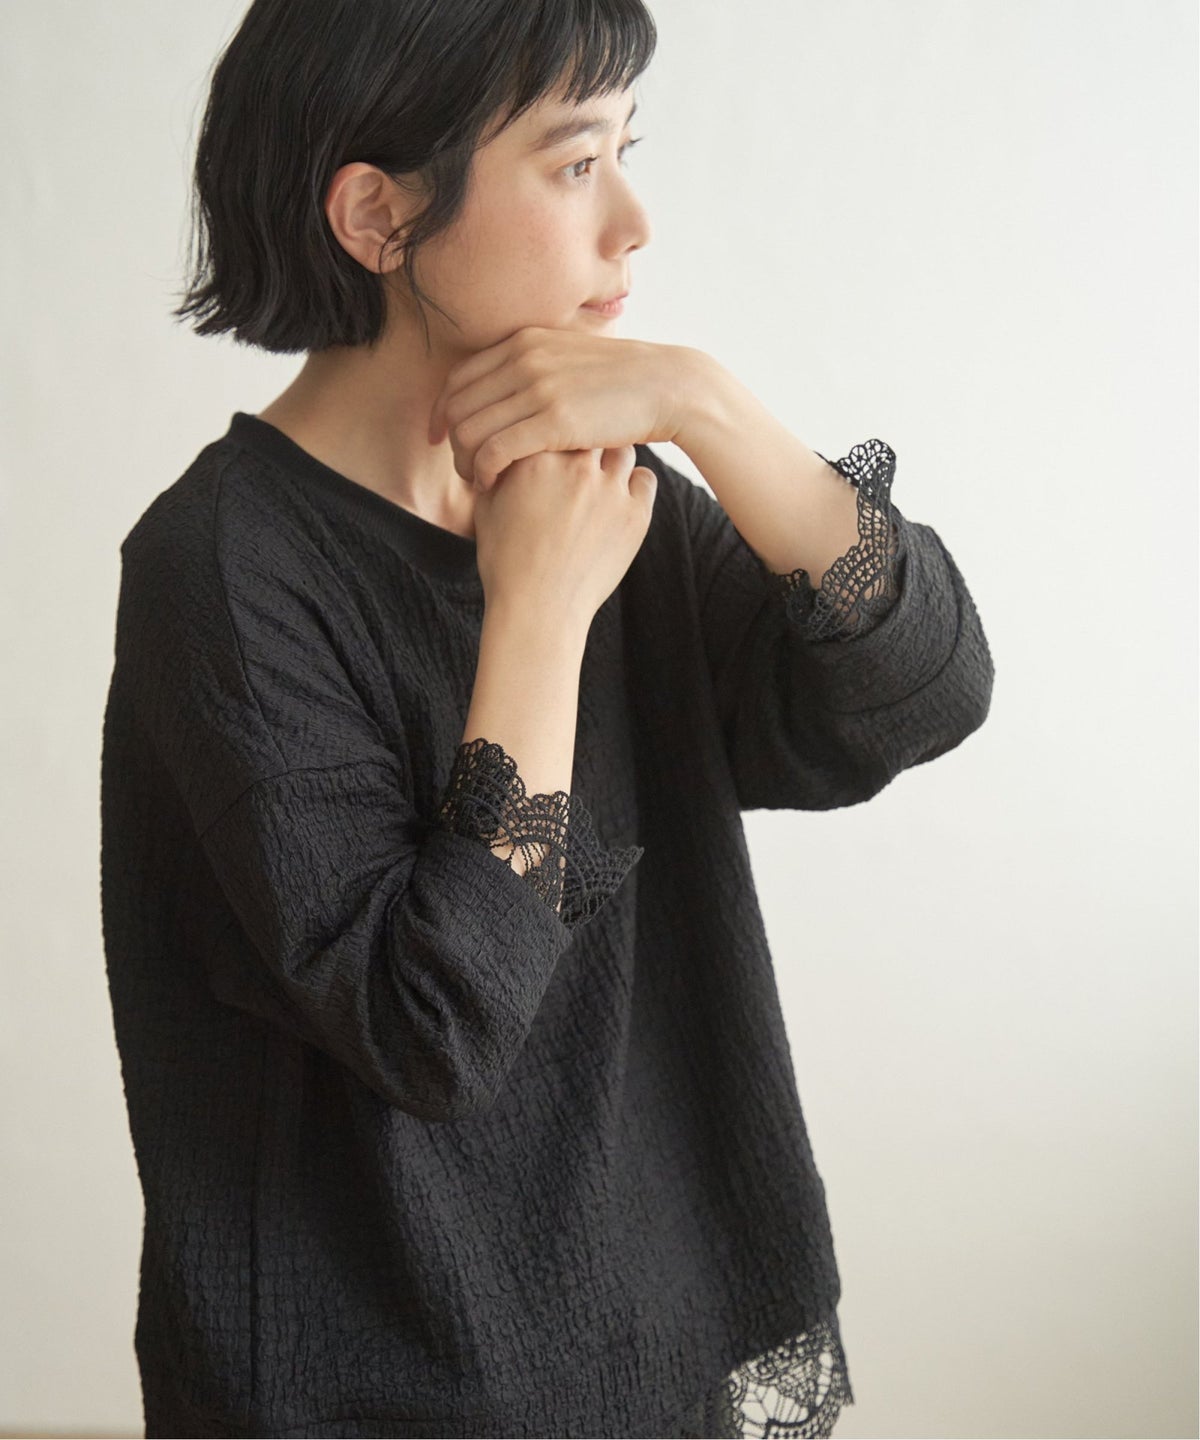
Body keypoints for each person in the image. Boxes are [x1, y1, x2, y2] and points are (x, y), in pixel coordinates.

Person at [99, 1, 995, 1436]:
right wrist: (538, 613)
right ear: (378, 216)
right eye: (577, 163)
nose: (633, 222)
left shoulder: (608, 487)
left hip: (656, 1348)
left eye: (628, 152)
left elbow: (926, 691)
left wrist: (706, 406)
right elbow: (433, 1028)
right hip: (366, 1386)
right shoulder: (224, 571)